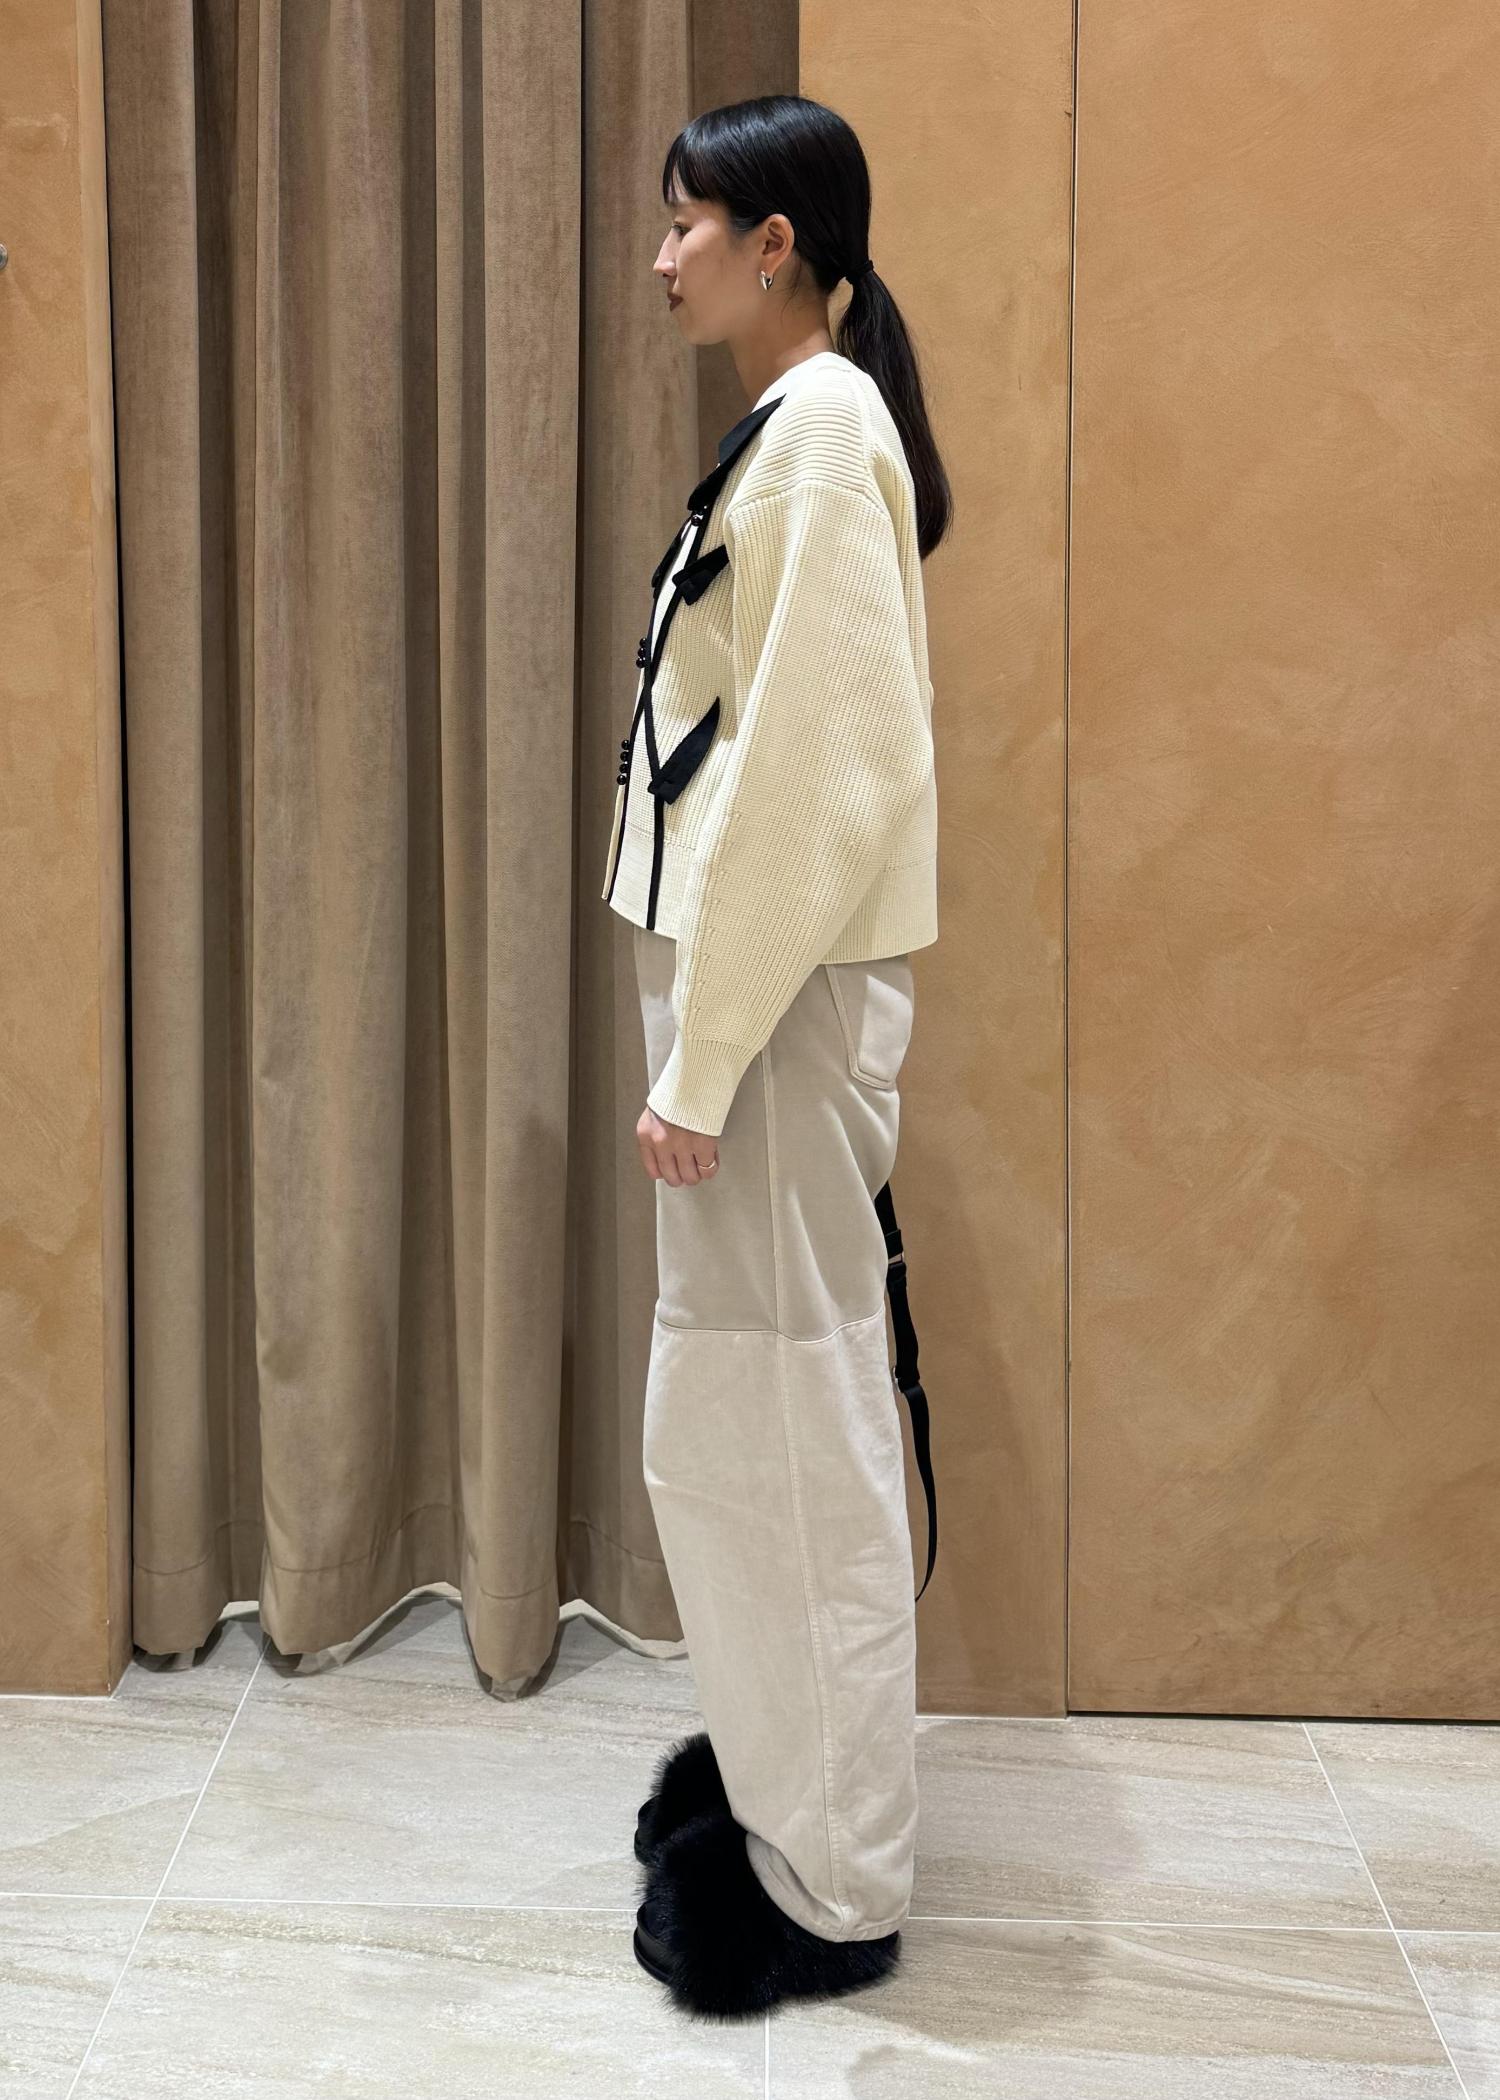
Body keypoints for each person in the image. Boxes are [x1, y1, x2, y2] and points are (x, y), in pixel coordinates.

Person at [601, 91, 950, 2021]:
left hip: (777, 1018)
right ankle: (778, 1795)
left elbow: (820, 778)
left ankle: (832, 1882)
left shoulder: (820, 435)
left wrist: (706, 1058)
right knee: (745, 1428)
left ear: (777, 246)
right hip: (758, 1008)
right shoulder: (802, 424)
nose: (664, 257)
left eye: (687, 224)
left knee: (791, 1432)